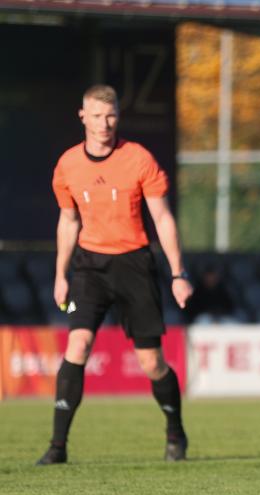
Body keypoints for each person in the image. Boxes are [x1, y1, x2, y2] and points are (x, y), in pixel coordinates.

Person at [36, 84, 193, 465]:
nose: (104, 124)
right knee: (78, 346)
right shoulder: (68, 165)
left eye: (111, 116)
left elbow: (162, 218)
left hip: (134, 264)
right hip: (89, 266)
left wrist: (178, 273)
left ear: (118, 116)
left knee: (151, 363)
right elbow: (68, 221)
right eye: (96, 116)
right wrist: (60, 274)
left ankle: (175, 431)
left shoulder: (138, 159)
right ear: (82, 116)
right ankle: (57, 447)